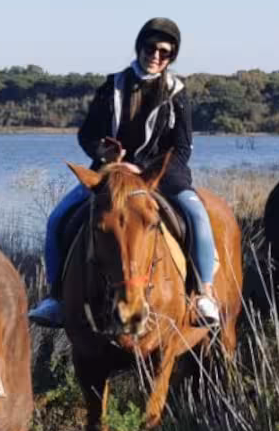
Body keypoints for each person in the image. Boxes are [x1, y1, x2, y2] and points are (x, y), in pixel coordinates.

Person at [27, 18, 223, 328]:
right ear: (140, 47)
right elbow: (87, 134)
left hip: (159, 177)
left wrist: (142, 169)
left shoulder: (178, 93)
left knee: (197, 216)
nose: (156, 56)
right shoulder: (113, 85)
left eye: (165, 52)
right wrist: (102, 154)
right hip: (110, 175)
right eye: (151, 48)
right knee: (57, 219)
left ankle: (204, 294)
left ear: (171, 57)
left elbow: (183, 150)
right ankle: (57, 298)